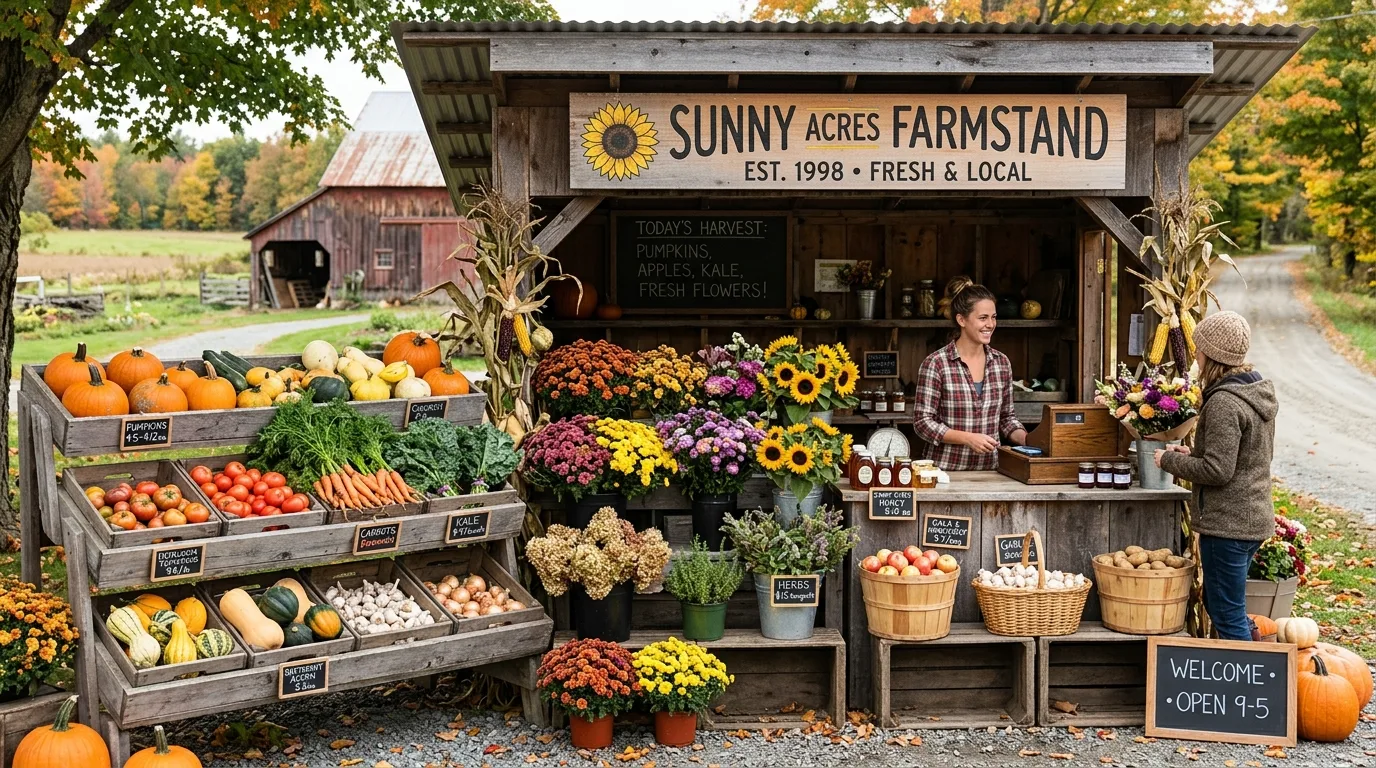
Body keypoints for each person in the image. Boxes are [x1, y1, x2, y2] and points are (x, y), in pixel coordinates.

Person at [1156, 311, 1277, 641]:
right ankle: (1260, 654)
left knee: (1226, 612)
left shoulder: (1225, 401)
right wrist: (1191, 455)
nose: (1196, 354)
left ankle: (1250, 686)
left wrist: (1167, 459)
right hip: (1249, 518)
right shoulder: (1253, 394)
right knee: (1221, 602)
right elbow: (1243, 458)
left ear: (1212, 355)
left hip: (1230, 524)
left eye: (1199, 349)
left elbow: (1218, 471)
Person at [912, 276, 1027, 471]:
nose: (990, 324)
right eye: (983, 318)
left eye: (994, 317)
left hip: (991, 471)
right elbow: (922, 423)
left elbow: (1007, 418)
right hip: (945, 473)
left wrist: (1031, 440)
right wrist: (967, 438)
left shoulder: (1001, 363)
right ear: (961, 319)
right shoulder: (936, 364)